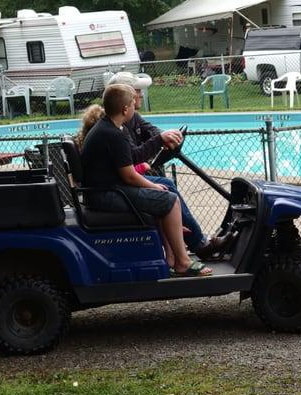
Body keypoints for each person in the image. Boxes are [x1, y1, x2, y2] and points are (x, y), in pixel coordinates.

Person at [81, 84, 212, 277]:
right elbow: (129, 176)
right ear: (125, 109)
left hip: (109, 188)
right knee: (169, 200)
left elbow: (133, 155)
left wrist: (159, 139)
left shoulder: (111, 127)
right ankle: (183, 262)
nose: (136, 106)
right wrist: (154, 187)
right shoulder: (112, 134)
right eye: (133, 103)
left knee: (166, 186)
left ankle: (171, 258)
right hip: (106, 195)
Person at [106, 72, 234, 260]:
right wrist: (158, 141)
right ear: (125, 99)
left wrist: (164, 137)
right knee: (167, 193)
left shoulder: (128, 118)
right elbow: (133, 158)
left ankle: (188, 249)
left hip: (120, 180)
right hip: (116, 186)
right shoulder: (116, 128)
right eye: (137, 92)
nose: (140, 96)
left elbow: (150, 131)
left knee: (167, 185)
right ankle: (195, 248)